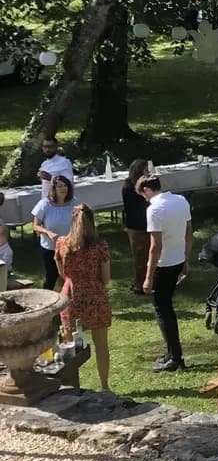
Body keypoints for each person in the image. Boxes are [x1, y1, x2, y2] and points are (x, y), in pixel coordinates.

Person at [54, 204, 112, 391]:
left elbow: (62, 273)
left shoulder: (62, 244)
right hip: (95, 295)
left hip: (71, 295)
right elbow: (106, 278)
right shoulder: (100, 246)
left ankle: (70, 386)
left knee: (68, 345)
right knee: (101, 344)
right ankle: (105, 386)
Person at [138, 175, 192, 372]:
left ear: (146, 190)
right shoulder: (181, 200)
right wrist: (186, 260)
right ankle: (172, 353)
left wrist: (148, 277)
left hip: (164, 264)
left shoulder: (154, 209)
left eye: (143, 195)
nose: (144, 199)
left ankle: (175, 357)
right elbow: (188, 233)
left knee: (162, 309)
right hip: (178, 259)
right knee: (166, 307)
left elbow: (155, 247)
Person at [31, 175, 79, 290]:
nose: (63, 188)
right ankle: (46, 299)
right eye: (60, 186)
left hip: (70, 246)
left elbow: (80, 221)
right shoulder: (44, 204)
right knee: (51, 277)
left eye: (65, 186)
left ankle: (70, 299)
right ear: (54, 189)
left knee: (71, 277)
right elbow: (35, 226)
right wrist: (48, 232)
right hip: (50, 248)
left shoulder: (74, 202)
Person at [122, 159, 151, 295]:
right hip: (137, 226)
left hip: (145, 224)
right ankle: (140, 285)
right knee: (140, 258)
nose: (148, 172)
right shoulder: (129, 188)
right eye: (145, 170)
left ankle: (149, 282)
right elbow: (140, 206)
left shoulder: (139, 186)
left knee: (148, 256)